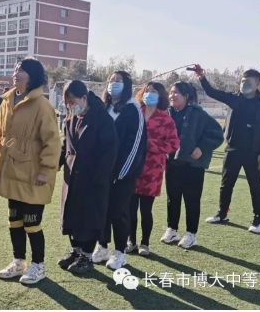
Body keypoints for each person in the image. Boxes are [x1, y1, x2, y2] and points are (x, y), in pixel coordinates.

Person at [0, 58, 61, 285]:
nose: (15, 73)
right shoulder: (7, 100)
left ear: (32, 75)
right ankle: (19, 262)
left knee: (32, 223)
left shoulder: (42, 105)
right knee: (15, 220)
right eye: (14, 69)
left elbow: (53, 141)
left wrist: (46, 170)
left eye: (20, 70)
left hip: (34, 174)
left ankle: (38, 266)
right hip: (11, 170)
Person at [197, 66, 260, 234]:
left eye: (249, 82)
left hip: (253, 152)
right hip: (233, 149)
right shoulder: (234, 98)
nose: (245, 84)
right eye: (243, 81)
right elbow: (212, 92)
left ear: (258, 83)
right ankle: (222, 213)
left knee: (255, 186)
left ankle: (257, 219)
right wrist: (202, 77)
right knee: (226, 183)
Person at [57, 81, 118, 274]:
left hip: (93, 178)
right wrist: (57, 163)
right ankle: (75, 252)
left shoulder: (102, 118)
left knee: (89, 218)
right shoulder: (71, 118)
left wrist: (100, 177)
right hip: (72, 176)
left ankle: (87, 257)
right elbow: (66, 145)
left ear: (84, 98)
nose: (70, 105)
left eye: (73, 101)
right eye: (67, 102)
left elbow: (110, 151)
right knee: (71, 215)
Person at [92, 71, 147, 270]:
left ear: (127, 85)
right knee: (102, 210)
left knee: (119, 212)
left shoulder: (133, 110)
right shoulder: (103, 107)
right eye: (111, 80)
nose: (113, 84)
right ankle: (103, 246)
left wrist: (121, 173)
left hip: (122, 175)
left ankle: (120, 252)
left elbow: (136, 146)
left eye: (118, 81)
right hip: (101, 172)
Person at [161, 82, 224, 249]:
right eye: (171, 92)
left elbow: (217, 133)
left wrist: (202, 147)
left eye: (176, 93)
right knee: (172, 198)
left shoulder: (198, 113)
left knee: (192, 200)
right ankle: (172, 229)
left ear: (186, 95)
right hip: (172, 163)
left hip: (193, 165)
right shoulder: (167, 113)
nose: (172, 96)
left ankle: (191, 234)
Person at [127, 82, 180, 256]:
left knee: (146, 209)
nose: (149, 94)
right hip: (131, 167)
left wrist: (149, 145)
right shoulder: (135, 114)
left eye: (154, 91)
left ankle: (145, 243)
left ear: (160, 96)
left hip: (153, 169)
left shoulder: (166, 119)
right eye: (147, 91)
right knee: (130, 208)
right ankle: (131, 241)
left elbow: (173, 144)